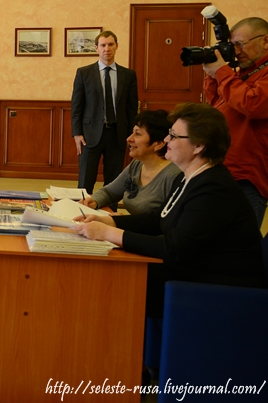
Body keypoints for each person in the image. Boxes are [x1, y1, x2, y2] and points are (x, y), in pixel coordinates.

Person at [74, 103, 266, 318]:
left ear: (199, 146)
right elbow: (159, 219)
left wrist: (109, 234)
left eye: (174, 136)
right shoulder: (190, 177)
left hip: (221, 291)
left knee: (120, 279)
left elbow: (174, 249)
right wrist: (109, 221)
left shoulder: (214, 189)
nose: (166, 140)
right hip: (194, 273)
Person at [203, 17, 268, 226]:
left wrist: (222, 72)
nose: (236, 51)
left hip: (248, 176)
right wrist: (213, 74)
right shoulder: (242, 73)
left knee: (239, 239)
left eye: (240, 44)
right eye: (233, 45)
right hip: (222, 167)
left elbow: (253, 104)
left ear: (265, 41)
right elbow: (216, 103)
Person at [71, 31, 139, 198]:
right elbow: (76, 106)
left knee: (114, 182)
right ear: (96, 48)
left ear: (116, 46)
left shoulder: (128, 75)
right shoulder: (84, 73)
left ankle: (110, 212)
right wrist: (77, 133)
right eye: (103, 45)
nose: (106, 48)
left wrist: (133, 134)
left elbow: (131, 108)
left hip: (117, 134)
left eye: (110, 44)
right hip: (90, 135)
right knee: (85, 182)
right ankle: (82, 211)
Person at [79, 109, 181, 215]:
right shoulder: (137, 164)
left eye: (138, 134)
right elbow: (110, 192)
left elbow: (166, 220)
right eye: (132, 132)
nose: (129, 139)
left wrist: (121, 221)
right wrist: (94, 201)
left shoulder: (173, 175)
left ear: (159, 144)